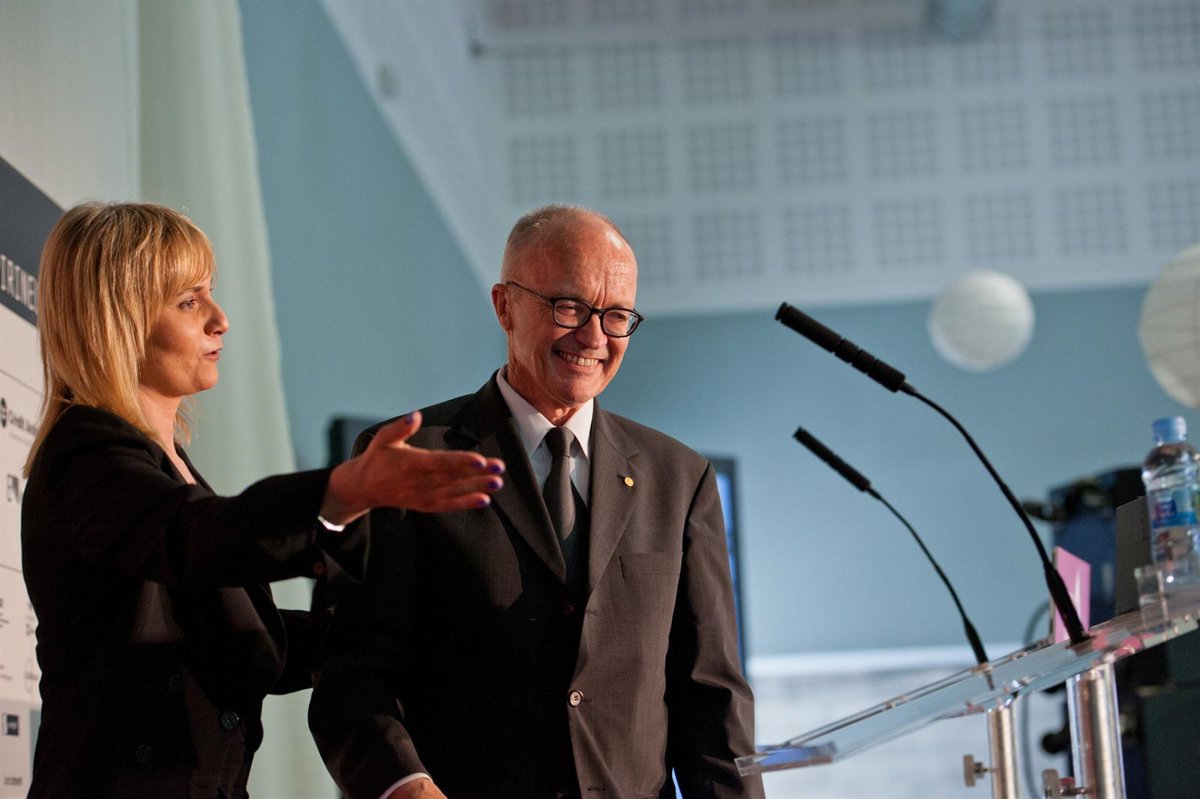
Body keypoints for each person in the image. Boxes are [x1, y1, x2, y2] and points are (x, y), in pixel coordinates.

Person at [20, 201, 505, 798]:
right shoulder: (86, 455)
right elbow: (195, 538)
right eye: (189, 301)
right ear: (117, 320)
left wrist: (413, 634)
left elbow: (246, 640)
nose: (220, 319)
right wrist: (343, 491)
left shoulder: (170, 470)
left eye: (211, 293)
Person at [309, 205, 764, 799]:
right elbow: (352, 673)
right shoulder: (408, 459)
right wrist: (406, 785)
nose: (594, 337)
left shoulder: (678, 478)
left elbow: (712, 701)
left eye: (617, 316)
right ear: (504, 306)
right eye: (569, 307)